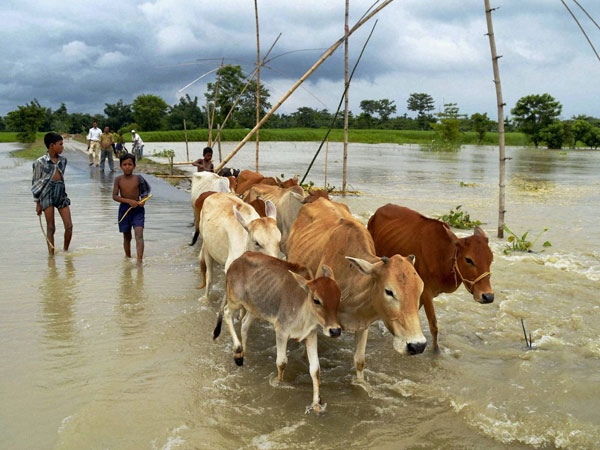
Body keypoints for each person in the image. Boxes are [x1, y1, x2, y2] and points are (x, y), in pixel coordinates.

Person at [32, 132, 73, 255]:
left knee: (69, 226)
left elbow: (60, 177)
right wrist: (38, 203)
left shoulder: (63, 161)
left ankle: (66, 251)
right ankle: (51, 254)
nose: (62, 147)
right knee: (51, 227)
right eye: (60, 144)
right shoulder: (40, 162)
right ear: (51, 146)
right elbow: (35, 184)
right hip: (46, 194)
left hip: (60, 192)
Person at [112, 153, 151, 265]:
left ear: (134, 166)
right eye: (124, 164)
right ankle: (128, 258)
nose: (127, 167)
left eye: (130, 164)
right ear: (120, 166)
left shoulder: (139, 178)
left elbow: (145, 193)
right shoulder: (118, 179)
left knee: (139, 234)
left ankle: (139, 260)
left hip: (138, 210)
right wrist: (129, 201)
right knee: (127, 236)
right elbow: (114, 196)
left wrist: (143, 201)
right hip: (124, 210)